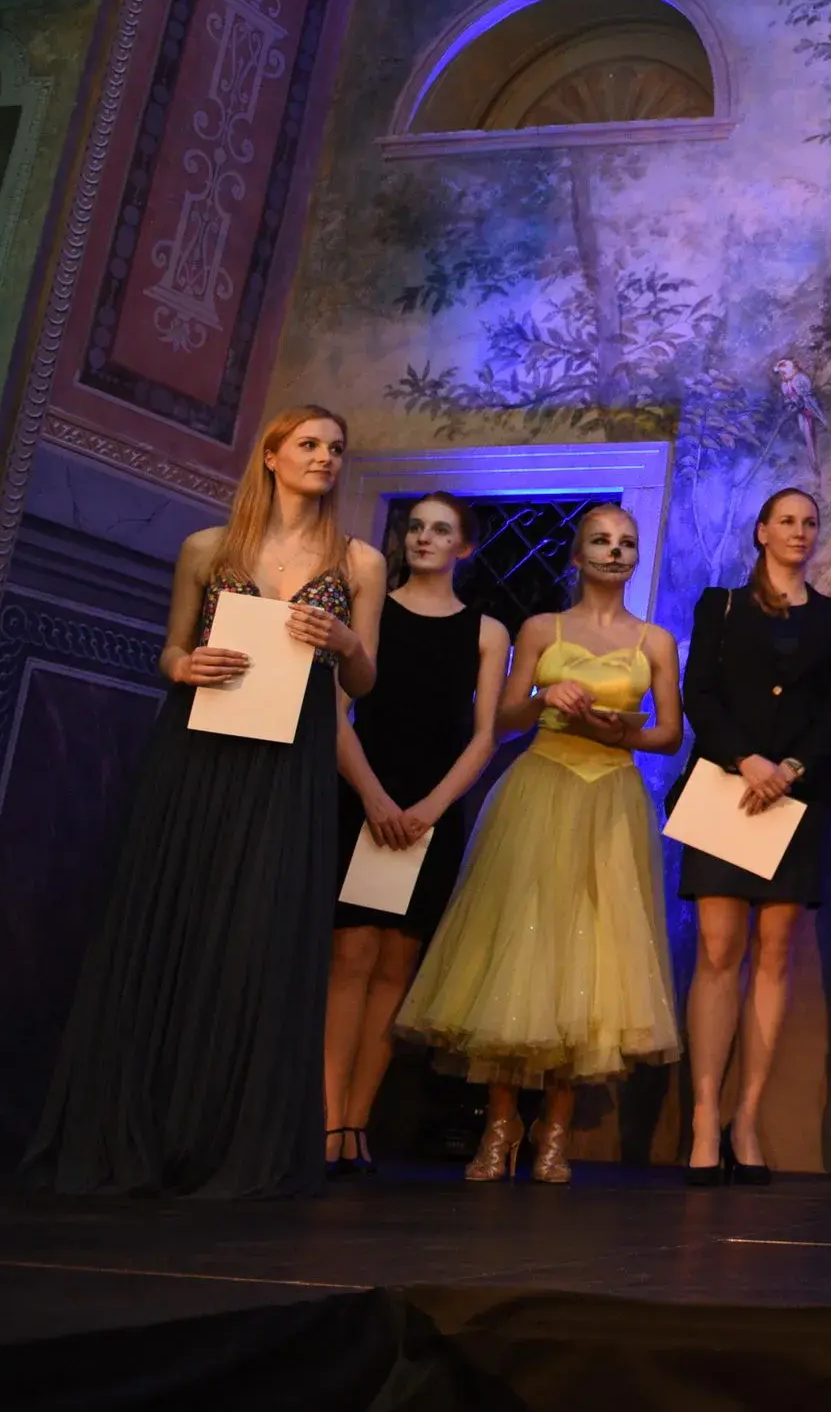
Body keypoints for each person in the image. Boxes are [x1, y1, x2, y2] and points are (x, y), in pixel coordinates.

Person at [27, 406, 385, 1198]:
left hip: (291, 757)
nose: (325, 458)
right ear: (271, 456)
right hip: (200, 746)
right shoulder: (206, 548)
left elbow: (364, 681)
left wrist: (347, 645)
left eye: (336, 448)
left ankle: (230, 1139)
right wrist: (184, 667)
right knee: (175, 913)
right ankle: (141, 1129)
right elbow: (171, 648)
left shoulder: (360, 561)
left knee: (260, 927)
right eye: (309, 445)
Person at [396, 503, 685, 1184]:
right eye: (600, 541)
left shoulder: (656, 641)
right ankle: (499, 1127)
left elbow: (669, 734)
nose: (614, 552)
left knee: (592, 958)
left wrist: (622, 732)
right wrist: (546, 696)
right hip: (541, 787)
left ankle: (555, 1132)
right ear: (577, 556)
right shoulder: (539, 629)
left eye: (626, 543)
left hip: (610, 794)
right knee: (521, 949)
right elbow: (501, 718)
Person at [676, 487, 831, 1186]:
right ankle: (704, 1117)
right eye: (786, 521)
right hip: (726, 790)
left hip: (798, 797)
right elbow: (700, 695)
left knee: (776, 952)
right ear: (761, 531)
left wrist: (789, 769)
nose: (799, 531)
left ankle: (746, 1118)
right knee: (717, 949)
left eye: (810, 522)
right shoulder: (722, 605)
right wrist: (746, 760)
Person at [322, 492, 508, 1178]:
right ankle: (325, 1121)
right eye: (415, 527)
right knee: (349, 960)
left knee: (396, 967)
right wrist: (372, 796)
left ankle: (357, 1121)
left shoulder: (487, 632)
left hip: (431, 811)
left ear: (465, 546)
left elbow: (485, 735)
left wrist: (429, 807)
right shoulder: (371, 611)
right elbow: (336, 711)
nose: (424, 538)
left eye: (441, 530)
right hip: (362, 796)